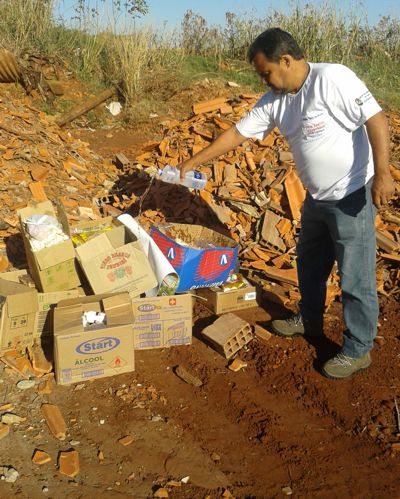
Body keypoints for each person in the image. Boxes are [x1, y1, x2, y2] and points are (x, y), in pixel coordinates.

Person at [178, 28, 395, 379]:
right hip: (317, 198)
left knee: (354, 278)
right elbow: (236, 133)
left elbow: (376, 119)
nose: (264, 80)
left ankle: (358, 349)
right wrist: (193, 162)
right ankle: (309, 319)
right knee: (309, 264)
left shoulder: (333, 78)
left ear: (286, 60)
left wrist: (383, 172)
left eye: (266, 72)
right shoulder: (276, 99)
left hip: (352, 194)